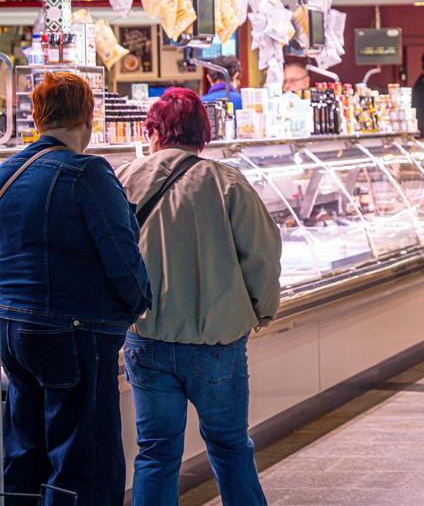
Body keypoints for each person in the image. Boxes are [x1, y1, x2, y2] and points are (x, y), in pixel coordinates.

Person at [116, 88, 281, 506]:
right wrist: (262, 310)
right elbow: (262, 253)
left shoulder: (124, 178)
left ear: (153, 131)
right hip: (216, 343)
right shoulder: (226, 182)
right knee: (229, 448)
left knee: (155, 452)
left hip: (147, 338)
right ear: (203, 135)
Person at [0, 72, 151, 506]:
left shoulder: (8, 170)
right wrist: (139, 304)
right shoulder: (87, 172)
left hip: (12, 330)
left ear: (37, 114)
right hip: (73, 329)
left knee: (25, 449)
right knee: (83, 456)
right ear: (89, 116)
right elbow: (121, 255)